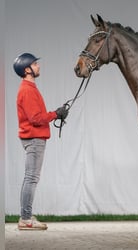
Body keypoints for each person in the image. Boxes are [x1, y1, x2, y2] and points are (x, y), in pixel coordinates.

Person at [13, 53, 68, 230]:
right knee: (31, 178)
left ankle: (26, 216)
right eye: (35, 64)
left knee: (30, 177)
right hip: (34, 138)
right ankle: (26, 219)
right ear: (27, 69)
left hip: (34, 137)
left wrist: (55, 114)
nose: (38, 66)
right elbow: (36, 118)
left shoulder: (29, 87)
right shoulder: (27, 90)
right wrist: (55, 114)